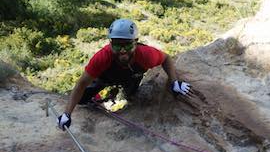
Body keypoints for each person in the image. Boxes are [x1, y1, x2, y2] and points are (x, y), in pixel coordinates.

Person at [57, 18, 193, 130]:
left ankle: (122, 95)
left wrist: (175, 82)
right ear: (110, 44)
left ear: (136, 42)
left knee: (131, 96)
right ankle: (96, 98)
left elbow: (166, 59)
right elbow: (81, 84)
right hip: (106, 77)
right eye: (117, 45)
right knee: (82, 99)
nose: (122, 51)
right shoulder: (102, 57)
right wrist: (67, 114)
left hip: (132, 76)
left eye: (127, 45)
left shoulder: (146, 55)